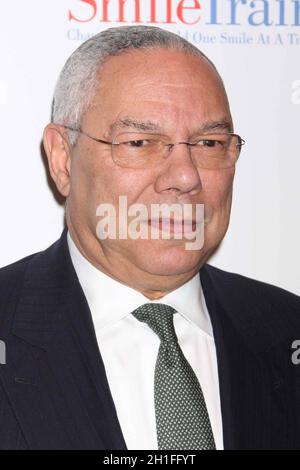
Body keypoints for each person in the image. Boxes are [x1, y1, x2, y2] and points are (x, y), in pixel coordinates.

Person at [0, 25, 300, 451]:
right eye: (139, 141)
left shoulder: (287, 328)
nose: (185, 176)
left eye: (210, 143)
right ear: (63, 160)